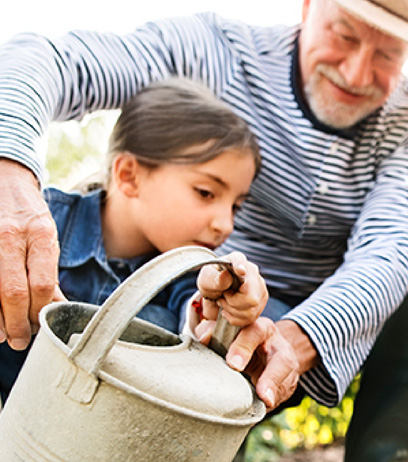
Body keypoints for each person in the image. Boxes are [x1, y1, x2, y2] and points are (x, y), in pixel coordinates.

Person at [0, 0, 408, 462]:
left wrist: (294, 341)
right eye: (345, 35)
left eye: (389, 54)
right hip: (203, 302)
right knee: (146, 325)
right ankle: (193, 455)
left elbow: (388, 254)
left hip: (303, 326)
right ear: (309, 8)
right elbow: (46, 59)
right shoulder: (214, 50)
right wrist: (10, 172)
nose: (357, 71)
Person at [0, 78, 299, 409]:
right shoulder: (38, 225)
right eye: (205, 193)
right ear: (129, 175)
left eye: (235, 206)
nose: (225, 224)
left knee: (160, 326)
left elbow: (194, 309)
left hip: (93, 441)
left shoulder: (185, 273)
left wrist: (219, 303)